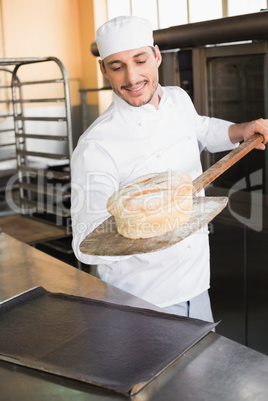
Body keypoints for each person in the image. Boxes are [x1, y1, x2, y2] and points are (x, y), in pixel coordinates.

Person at [71, 16, 268, 321]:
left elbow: (200, 128)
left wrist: (242, 130)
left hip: (197, 282)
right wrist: (153, 223)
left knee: (205, 368)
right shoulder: (96, 145)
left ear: (157, 56)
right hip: (141, 299)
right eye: (117, 66)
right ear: (103, 70)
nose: (132, 77)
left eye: (140, 60)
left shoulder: (177, 99)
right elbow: (86, 242)